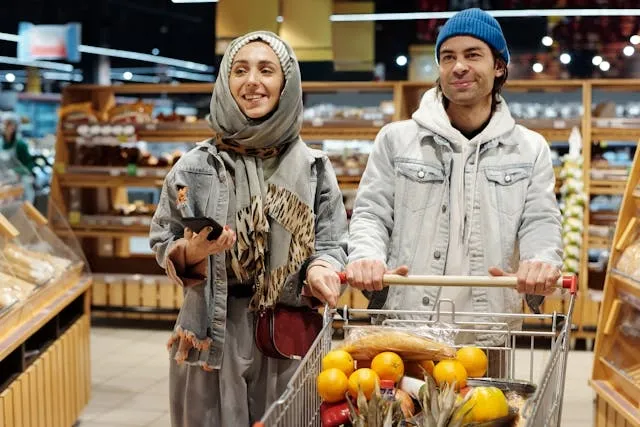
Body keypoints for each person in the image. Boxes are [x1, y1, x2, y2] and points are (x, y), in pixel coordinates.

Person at [149, 31, 347, 427]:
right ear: (225, 82)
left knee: (288, 418)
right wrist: (190, 254)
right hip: (211, 328)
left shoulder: (314, 169)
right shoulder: (193, 167)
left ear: (286, 84)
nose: (252, 81)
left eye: (266, 70)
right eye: (240, 70)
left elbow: (332, 241)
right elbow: (163, 239)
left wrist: (320, 267)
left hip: (287, 328)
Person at [346, 8, 563, 358]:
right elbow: (371, 214)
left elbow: (540, 220)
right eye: (448, 57)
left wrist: (540, 260)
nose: (458, 66)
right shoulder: (396, 140)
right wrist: (367, 256)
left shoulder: (529, 148)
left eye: (472, 55)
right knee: (405, 413)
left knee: (489, 413)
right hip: (407, 324)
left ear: (499, 66)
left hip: (487, 329)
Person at [1, 113, 36, 202]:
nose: (5, 126)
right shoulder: (1, 144)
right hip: (4, 184)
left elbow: (29, 166)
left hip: (20, 184)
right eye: (4, 123)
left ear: (15, 127)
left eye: (9, 124)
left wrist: (15, 171)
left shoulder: (20, 145)